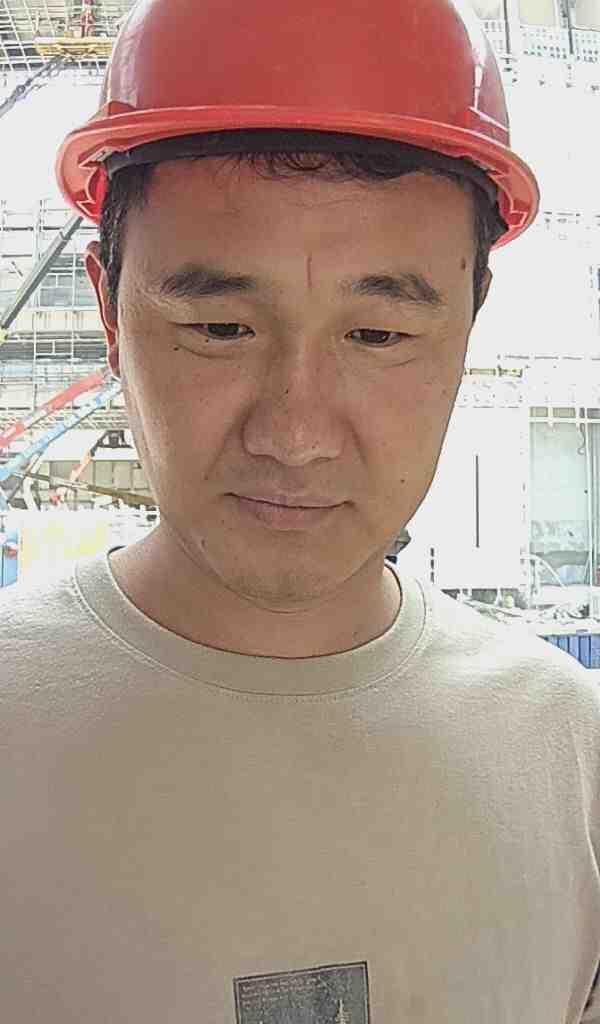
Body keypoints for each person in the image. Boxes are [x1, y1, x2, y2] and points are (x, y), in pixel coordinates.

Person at [2, 0, 600, 1019]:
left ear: (468, 327)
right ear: (108, 308)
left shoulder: (571, 761)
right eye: (220, 327)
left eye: (377, 335)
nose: (295, 433)